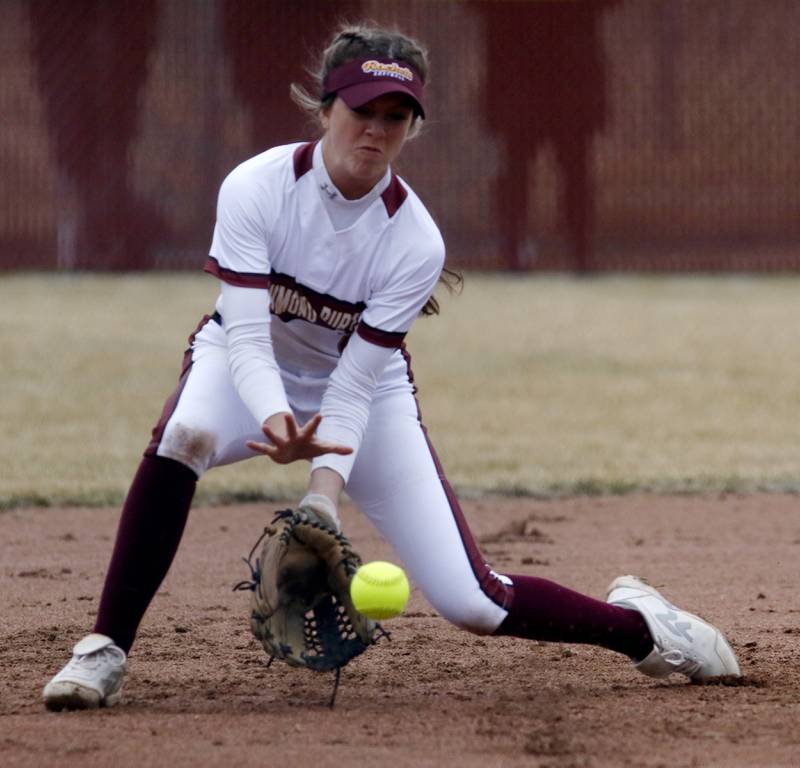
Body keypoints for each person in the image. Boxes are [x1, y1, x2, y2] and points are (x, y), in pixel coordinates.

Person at [43, 23, 740, 711]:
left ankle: (647, 631)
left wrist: (321, 496)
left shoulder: (414, 241)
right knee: (186, 435)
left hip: (365, 393)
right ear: (324, 108)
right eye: (361, 110)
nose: (376, 129)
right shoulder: (256, 187)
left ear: (413, 125)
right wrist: (276, 421)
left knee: (474, 602)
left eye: (396, 115)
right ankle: (103, 648)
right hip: (243, 361)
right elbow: (248, 339)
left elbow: (354, 381)